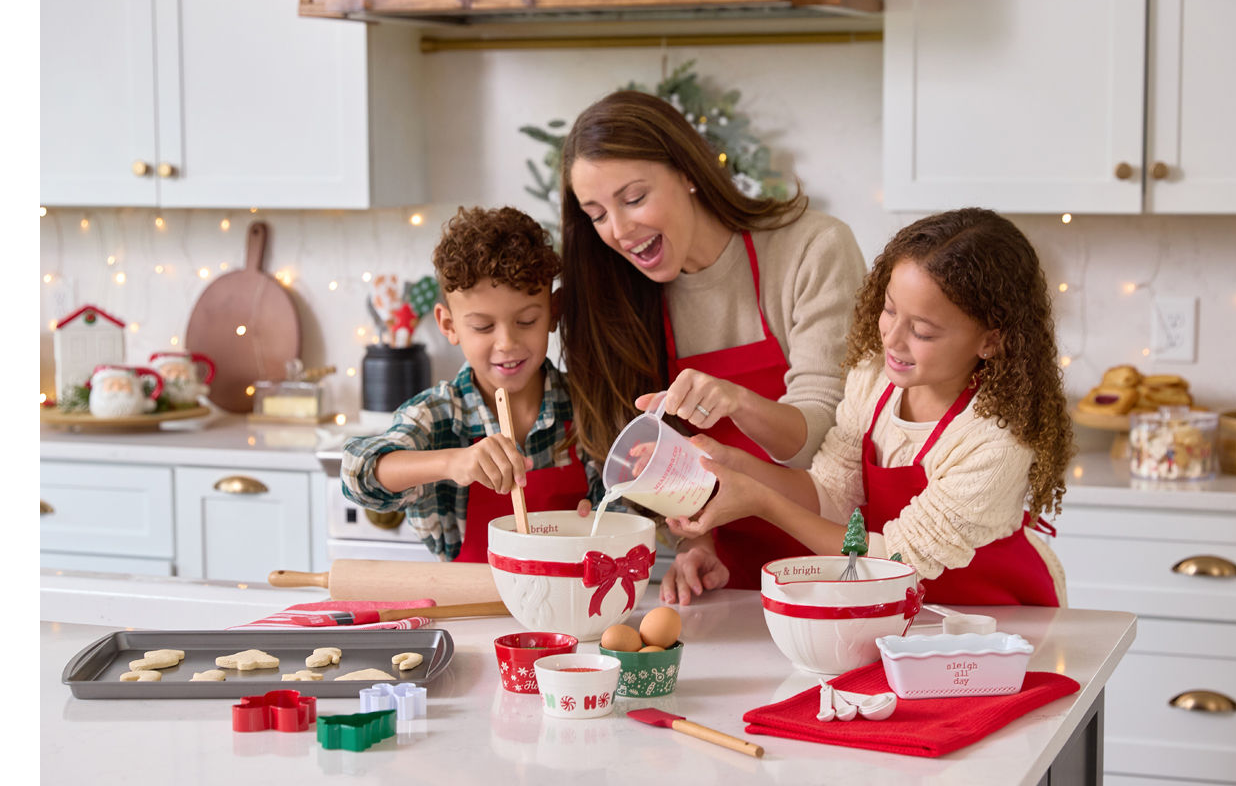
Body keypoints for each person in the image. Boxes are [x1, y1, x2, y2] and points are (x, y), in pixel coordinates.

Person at [666, 208, 1073, 606]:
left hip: (993, 614)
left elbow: (895, 561)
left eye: (922, 331)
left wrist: (761, 500)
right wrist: (732, 465)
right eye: (890, 309)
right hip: (902, 607)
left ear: (990, 340)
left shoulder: (996, 440)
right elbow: (832, 494)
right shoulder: (875, 378)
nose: (892, 340)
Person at [557, 89, 868, 599]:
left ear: (688, 172)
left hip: (842, 567)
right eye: (596, 214)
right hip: (734, 586)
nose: (618, 230)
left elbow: (821, 434)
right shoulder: (620, 300)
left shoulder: (811, 249)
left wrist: (739, 401)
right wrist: (698, 546)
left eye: (634, 198)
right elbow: (676, 469)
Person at [341, 206, 604, 562]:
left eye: (527, 320)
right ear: (448, 325)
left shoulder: (587, 405)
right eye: (482, 327)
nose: (507, 342)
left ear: (553, 312)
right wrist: (451, 462)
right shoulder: (436, 415)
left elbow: (628, 503)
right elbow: (357, 473)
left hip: (572, 603)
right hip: (473, 610)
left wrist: (605, 519)